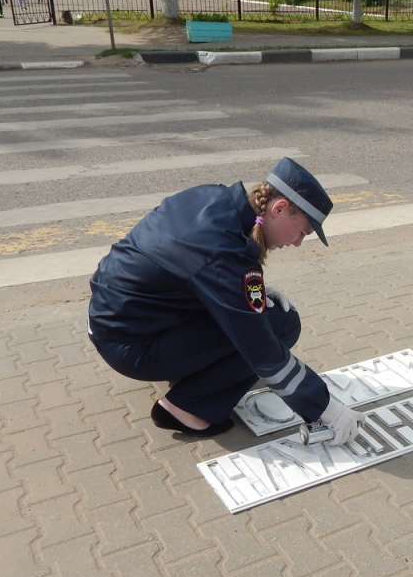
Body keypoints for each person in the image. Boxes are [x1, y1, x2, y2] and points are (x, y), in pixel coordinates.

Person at [87, 157, 366, 446]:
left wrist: (241, 290)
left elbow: (188, 265)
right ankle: (185, 408)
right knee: (279, 326)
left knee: (267, 316)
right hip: (133, 347)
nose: (297, 243)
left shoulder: (214, 197)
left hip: (115, 319)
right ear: (279, 208)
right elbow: (262, 349)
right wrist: (325, 409)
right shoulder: (226, 255)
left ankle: (195, 375)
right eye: (302, 232)